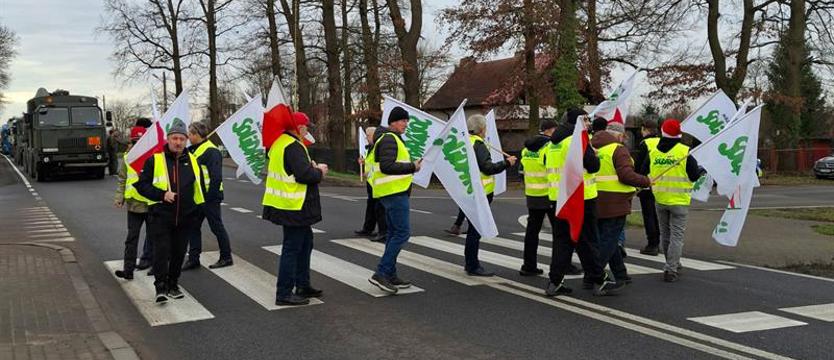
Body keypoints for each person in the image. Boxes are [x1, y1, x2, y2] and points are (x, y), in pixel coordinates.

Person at [544, 109, 620, 297]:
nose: (589, 123)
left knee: (563, 241)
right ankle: (598, 279)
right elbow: (593, 166)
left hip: (559, 198)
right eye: (586, 119)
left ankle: (555, 282)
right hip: (581, 198)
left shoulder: (553, 143)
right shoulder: (577, 140)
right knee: (588, 240)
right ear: (577, 121)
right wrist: (593, 154)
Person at [135, 118, 205, 303]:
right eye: (174, 138)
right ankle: (161, 287)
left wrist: (197, 212)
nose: (178, 142)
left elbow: (199, 188)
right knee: (161, 252)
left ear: (186, 141)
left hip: (185, 217)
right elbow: (141, 185)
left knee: (178, 253)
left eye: (182, 139)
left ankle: (173, 284)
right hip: (161, 216)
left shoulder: (193, 161)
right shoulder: (155, 160)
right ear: (168, 139)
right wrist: (161, 194)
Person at [262, 112, 328, 306]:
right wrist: (319, 171)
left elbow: (293, 171)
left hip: (288, 205)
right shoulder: (293, 146)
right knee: (293, 248)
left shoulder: (280, 143)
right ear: (299, 128)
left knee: (305, 244)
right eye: (307, 127)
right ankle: (284, 292)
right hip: (294, 206)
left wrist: (310, 167)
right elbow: (305, 175)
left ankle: (302, 285)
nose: (308, 130)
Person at [367, 106, 422, 294]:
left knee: (393, 234)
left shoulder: (388, 138)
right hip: (395, 193)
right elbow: (387, 166)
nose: (406, 124)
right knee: (402, 233)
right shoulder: (390, 139)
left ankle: (390, 273)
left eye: (406, 121)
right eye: (403, 120)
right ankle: (382, 272)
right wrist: (412, 167)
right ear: (393, 122)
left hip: (391, 193)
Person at [638, 119, 701, 283]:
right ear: (679, 133)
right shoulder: (684, 151)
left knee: (666, 235)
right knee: (677, 237)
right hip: (679, 201)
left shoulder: (654, 152)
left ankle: (672, 263)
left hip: (660, 199)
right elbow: (694, 175)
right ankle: (671, 269)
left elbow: (643, 172)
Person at [591, 120, 651, 288]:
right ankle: (594, 274)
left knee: (609, 240)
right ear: (618, 134)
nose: (624, 138)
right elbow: (625, 175)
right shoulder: (618, 149)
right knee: (609, 241)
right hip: (615, 203)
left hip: (594, 199)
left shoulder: (591, 147)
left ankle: (620, 274)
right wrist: (646, 180)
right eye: (623, 135)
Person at [463, 114, 516, 276]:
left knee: (473, 228)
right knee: (475, 230)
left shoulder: (466, 142)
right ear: (481, 129)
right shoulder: (478, 144)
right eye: (485, 127)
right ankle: (473, 265)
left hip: (470, 190)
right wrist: (506, 163)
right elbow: (487, 168)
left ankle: (470, 263)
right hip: (481, 193)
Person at [182, 121, 234, 270]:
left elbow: (216, 177)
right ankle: (193, 259)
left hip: (209, 198)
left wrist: (210, 197)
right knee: (193, 227)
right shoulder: (193, 150)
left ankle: (226, 257)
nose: (188, 137)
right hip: (197, 197)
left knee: (216, 227)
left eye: (190, 134)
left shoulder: (211, 151)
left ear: (197, 135)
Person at [113, 124, 154, 280]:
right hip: (134, 205)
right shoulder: (127, 157)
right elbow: (122, 179)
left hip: (151, 204)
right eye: (135, 141)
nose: (137, 145)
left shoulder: (153, 156)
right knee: (131, 239)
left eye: (140, 141)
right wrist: (119, 197)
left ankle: (155, 266)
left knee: (155, 237)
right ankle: (128, 270)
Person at [519, 119, 557, 276]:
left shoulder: (526, 149)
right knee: (560, 233)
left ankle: (528, 266)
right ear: (550, 130)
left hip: (532, 195)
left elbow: (521, 172)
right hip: (549, 195)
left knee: (532, 232)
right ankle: (562, 266)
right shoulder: (549, 147)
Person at [355, 126, 387, 242]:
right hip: (371, 181)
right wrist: (364, 162)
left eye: (368, 135)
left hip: (377, 181)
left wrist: (368, 171)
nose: (367, 138)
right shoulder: (372, 148)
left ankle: (383, 231)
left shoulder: (378, 146)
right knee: (372, 207)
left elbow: (378, 164)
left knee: (379, 208)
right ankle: (368, 228)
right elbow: (371, 161)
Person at [635, 119, 662, 255]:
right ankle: (658, 241)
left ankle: (652, 244)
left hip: (647, 183)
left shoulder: (644, 144)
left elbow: (639, 166)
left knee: (649, 214)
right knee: (658, 215)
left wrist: (636, 182)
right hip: (661, 183)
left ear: (645, 129)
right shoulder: (661, 142)